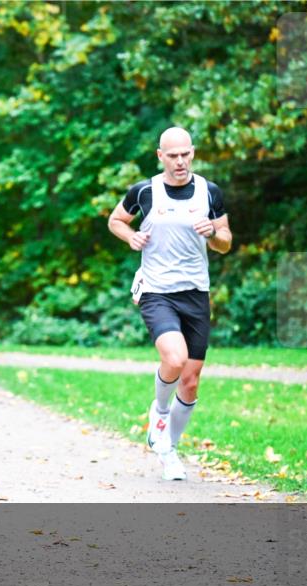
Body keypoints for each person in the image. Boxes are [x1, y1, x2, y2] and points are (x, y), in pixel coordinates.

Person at [107, 126, 232, 480]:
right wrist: (131, 236)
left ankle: (169, 450)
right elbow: (115, 220)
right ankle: (160, 411)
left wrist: (214, 233)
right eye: (172, 155)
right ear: (160, 156)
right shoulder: (145, 192)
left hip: (196, 291)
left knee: (190, 382)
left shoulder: (210, 192)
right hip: (157, 290)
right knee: (174, 359)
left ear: (192, 153)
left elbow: (226, 239)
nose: (180, 161)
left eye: (185, 154)